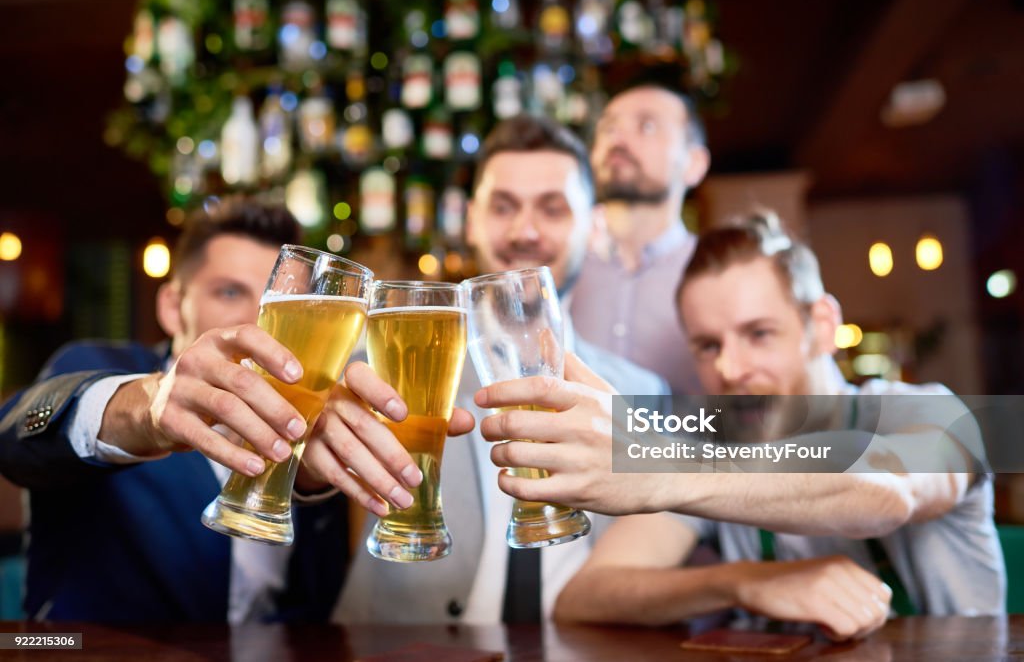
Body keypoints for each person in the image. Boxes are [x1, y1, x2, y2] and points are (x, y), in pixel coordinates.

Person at [476, 213, 1005, 638]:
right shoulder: (717, 441)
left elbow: (885, 492)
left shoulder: (934, 412)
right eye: (708, 346)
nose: (729, 369)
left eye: (758, 334)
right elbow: (583, 599)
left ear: (820, 326)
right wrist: (745, 582)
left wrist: (658, 466)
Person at [0, 199, 463, 623]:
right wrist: (148, 409)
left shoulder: (314, 411)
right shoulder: (98, 368)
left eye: (277, 295)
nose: (259, 317)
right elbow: (16, 440)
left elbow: (314, 607)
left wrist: (310, 479)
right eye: (228, 293)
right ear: (172, 307)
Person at [327, 115, 668, 625]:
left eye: (552, 209)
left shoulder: (644, 392)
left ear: (595, 226)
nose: (524, 231)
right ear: (470, 220)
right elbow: (314, 469)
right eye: (503, 206)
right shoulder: (394, 358)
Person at [570, 83, 710, 395]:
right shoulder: (559, 274)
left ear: (694, 164)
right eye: (607, 128)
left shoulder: (716, 275)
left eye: (646, 126)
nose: (616, 140)